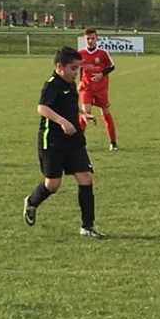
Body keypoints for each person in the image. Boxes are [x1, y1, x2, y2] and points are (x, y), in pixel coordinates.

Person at [21, 46, 104, 237]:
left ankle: (87, 226)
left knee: (86, 178)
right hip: (53, 141)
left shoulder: (70, 83)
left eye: (78, 68)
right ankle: (32, 202)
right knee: (53, 184)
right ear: (60, 67)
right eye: (73, 68)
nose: (76, 73)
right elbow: (42, 108)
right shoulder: (52, 84)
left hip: (73, 140)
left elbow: (69, 104)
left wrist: (83, 113)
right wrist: (62, 122)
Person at [78, 28, 119, 151]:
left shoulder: (102, 53)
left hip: (101, 88)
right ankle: (78, 144)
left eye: (93, 38)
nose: (90, 41)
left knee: (105, 113)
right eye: (88, 39)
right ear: (84, 39)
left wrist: (101, 74)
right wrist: (80, 81)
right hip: (86, 88)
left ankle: (113, 142)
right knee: (85, 113)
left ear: (97, 39)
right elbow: (80, 68)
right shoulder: (80, 53)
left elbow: (112, 66)